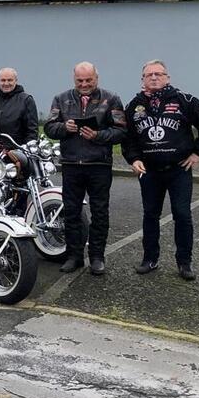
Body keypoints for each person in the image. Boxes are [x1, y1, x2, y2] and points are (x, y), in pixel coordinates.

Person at [122, 59, 199, 280]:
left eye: (158, 74)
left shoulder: (184, 100)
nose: (154, 77)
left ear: (167, 77)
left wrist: (198, 153)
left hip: (178, 170)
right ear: (142, 79)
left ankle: (184, 263)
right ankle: (150, 259)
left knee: (182, 215)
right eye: (149, 75)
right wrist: (133, 159)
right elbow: (127, 137)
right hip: (150, 172)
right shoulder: (134, 105)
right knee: (150, 215)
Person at [44, 61, 127, 276]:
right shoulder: (61, 99)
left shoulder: (112, 99)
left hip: (98, 165)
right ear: (74, 79)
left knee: (100, 212)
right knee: (71, 213)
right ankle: (74, 256)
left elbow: (121, 131)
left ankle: (98, 257)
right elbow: (49, 128)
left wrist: (98, 136)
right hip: (71, 165)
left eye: (88, 80)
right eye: (80, 80)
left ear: (96, 78)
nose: (84, 84)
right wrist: (65, 127)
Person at [0, 67, 39, 147]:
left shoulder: (26, 100)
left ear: (16, 81)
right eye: (3, 80)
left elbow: (32, 131)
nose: (6, 83)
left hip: (16, 151)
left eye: (10, 80)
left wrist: (26, 150)